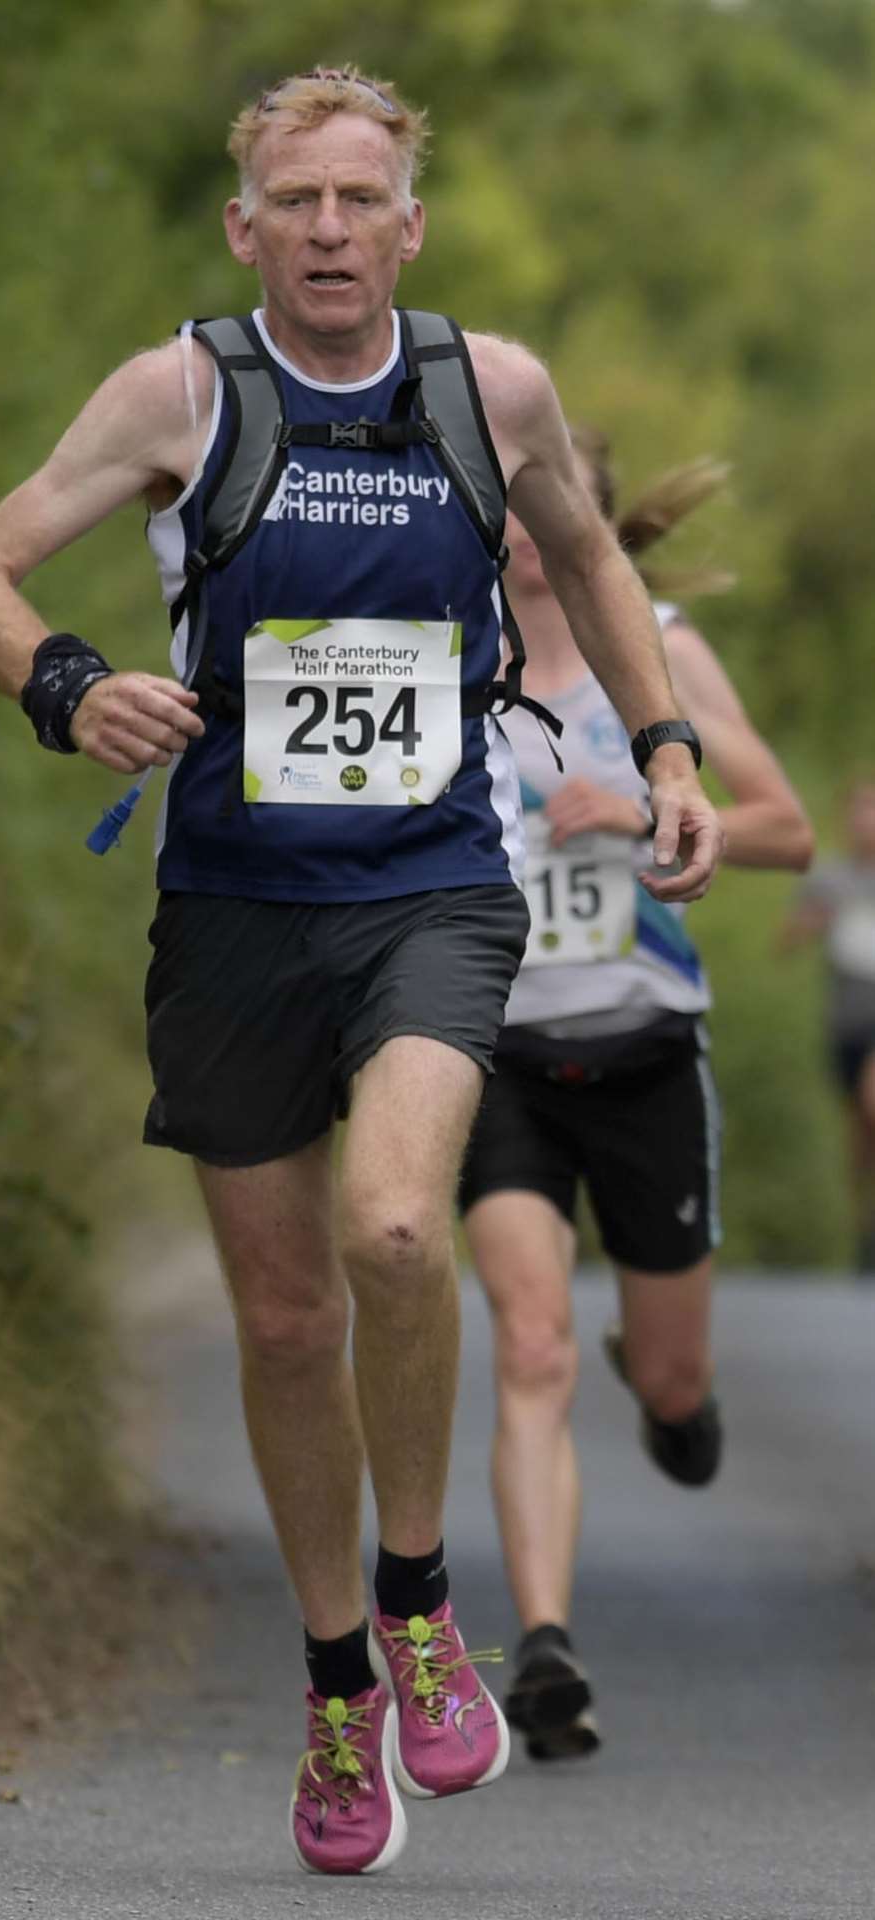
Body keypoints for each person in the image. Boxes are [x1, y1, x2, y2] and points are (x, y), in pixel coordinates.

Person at [0, 68, 722, 1875]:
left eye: (362, 199)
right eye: (298, 201)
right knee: (282, 1321)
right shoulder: (178, 394)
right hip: (229, 907)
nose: (331, 230)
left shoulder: (485, 386)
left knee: (387, 1232)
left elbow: (588, 556)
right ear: (245, 226)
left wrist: (665, 750)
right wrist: (64, 682)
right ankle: (334, 1689)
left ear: (408, 226)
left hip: (431, 886)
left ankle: (426, 1605)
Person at [460, 427, 813, 1762]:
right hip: (493, 1057)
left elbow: (784, 824)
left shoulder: (655, 648)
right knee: (530, 1344)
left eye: (552, 516)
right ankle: (543, 1644)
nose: (528, 540)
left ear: (590, 525)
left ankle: (671, 1394)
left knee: (667, 1377)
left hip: (647, 1051)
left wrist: (642, 810)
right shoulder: (447, 638)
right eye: (506, 514)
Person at [781, 777, 875, 1274]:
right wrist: (813, 921)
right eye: (860, 813)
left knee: (872, 1100)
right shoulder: (832, 880)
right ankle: (863, 1231)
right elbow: (788, 939)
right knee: (858, 1134)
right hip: (847, 1023)